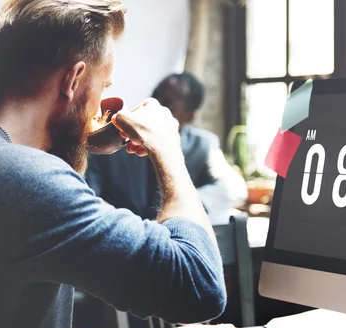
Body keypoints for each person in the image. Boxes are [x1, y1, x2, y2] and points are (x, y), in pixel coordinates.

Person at [0, 1, 251, 328]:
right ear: (74, 79)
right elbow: (199, 285)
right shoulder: (19, 178)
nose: (101, 105)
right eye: (103, 87)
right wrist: (169, 151)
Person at [86, 72, 248, 224]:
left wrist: (181, 205)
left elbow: (234, 189)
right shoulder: (113, 142)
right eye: (155, 95)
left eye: (168, 101)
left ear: (189, 116)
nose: (155, 104)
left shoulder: (202, 145)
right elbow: (89, 196)